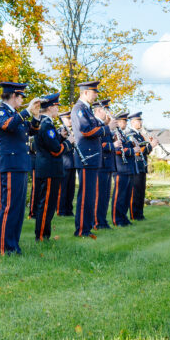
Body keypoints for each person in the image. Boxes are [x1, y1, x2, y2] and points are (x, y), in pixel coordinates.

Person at [0, 81, 40, 255]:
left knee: (19, 208)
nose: (22, 100)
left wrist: (35, 116)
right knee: (9, 207)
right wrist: (27, 112)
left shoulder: (15, 114)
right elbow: (8, 125)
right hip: (11, 165)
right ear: (13, 95)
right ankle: (4, 247)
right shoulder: (2, 112)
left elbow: (32, 130)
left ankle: (14, 244)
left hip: (20, 165)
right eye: (21, 96)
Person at [33, 93, 67, 241]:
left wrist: (61, 137)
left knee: (49, 204)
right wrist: (68, 143)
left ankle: (44, 235)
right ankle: (41, 236)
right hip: (49, 169)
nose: (57, 110)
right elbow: (55, 149)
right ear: (51, 107)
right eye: (56, 107)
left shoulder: (45, 123)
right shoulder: (46, 124)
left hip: (48, 169)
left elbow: (49, 143)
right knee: (46, 204)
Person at [72, 81, 103, 238]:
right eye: (94, 92)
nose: (96, 95)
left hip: (92, 157)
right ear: (84, 92)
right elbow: (86, 130)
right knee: (85, 195)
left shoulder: (87, 110)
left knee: (90, 195)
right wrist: (104, 128)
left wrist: (102, 124)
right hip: (86, 156)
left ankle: (87, 227)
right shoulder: (79, 109)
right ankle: (82, 229)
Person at [91, 98, 116, 230]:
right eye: (107, 110)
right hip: (100, 164)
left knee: (105, 195)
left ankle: (102, 220)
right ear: (99, 110)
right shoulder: (95, 124)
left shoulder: (104, 125)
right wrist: (113, 145)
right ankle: (96, 221)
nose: (109, 113)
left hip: (107, 164)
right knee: (99, 195)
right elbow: (98, 144)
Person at [110, 111, 137, 227]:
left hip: (128, 167)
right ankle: (117, 219)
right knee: (119, 195)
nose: (125, 123)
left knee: (126, 195)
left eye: (125, 121)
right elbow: (116, 150)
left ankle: (123, 217)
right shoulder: (113, 134)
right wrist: (132, 151)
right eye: (123, 121)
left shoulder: (124, 134)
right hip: (120, 167)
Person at [127, 112, 153, 221]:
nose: (141, 123)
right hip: (136, 165)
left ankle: (140, 214)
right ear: (133, 122)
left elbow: (145, 152)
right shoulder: (130, 134)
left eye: (141, 121)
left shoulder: (140, 135)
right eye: (138, 121)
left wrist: (150, 145)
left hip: (142, 165)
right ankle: (134, 215)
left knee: (141, 191)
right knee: (135, 191)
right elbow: (138, 152)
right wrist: (151, 145)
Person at [56, 110, 76, 217]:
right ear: (62, 119)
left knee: (70, 189)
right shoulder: (59, 131)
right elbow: (56, 146)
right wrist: (62, 137)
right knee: (62, 189)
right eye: (68, 118)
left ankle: (69, 209)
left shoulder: (72, 131)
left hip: (73, 163)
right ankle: (61, 210)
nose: (70, 120)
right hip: (64, 163)